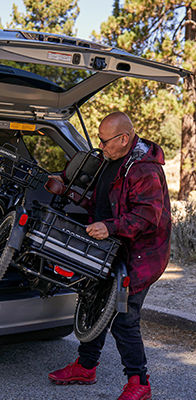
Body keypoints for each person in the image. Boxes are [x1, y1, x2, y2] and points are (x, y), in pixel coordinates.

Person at [47, 111, 171, 400]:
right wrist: (68, 191)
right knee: (94, 303)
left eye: (105, 141)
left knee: (123, 317)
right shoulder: (112, 161)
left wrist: (110, 226)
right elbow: (103, 202)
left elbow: (147, 215)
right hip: (109, 248)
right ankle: (86, 366)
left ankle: (139, 382)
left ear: (124, 138)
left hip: (139, 254)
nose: (100, 146)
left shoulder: (144, 169)